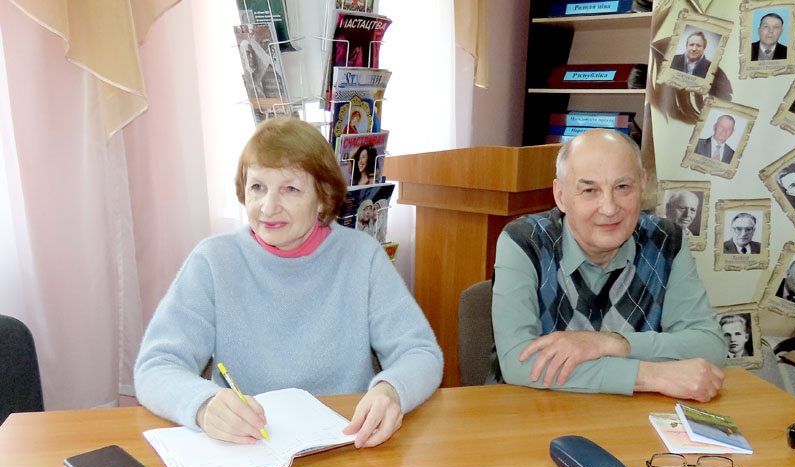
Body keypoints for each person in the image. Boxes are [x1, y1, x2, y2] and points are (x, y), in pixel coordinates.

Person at [134, 118, 443, 449]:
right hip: (249, 447)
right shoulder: (213, 261)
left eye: (290, 189)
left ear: (323, 197)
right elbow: (156, 366)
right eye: (257, 187)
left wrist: (390, 391)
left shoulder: (362, 257)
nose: (268, 207)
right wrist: (203, 404)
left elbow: (420, 352)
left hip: (347, 444)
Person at [492, 129, 726, 402]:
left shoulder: (666, 241)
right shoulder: (524, 242)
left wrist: (610, 343)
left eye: (622, 187)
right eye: (589, 190)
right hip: (538, 411)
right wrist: (651, 375)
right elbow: (518, 362)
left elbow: (710, 346)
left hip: (632, 415)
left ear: (642, 184)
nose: (609, 208)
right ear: (560, 195)